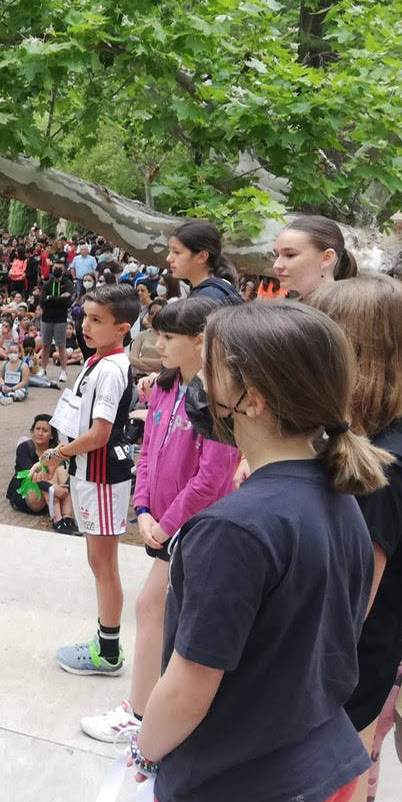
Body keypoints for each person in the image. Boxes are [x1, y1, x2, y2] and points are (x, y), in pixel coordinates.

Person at [133, 302, 386, 802]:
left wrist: (146, 750)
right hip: (317, 762)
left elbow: (186, 688)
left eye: (211, 369)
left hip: (239, 795)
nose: (197, 381)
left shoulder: (232, 530)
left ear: (253, 399)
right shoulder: (342, 498)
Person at [307, 275, 402, 802]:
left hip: (347, 690)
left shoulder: (382, 474)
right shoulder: (372, 448)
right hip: (358, 681)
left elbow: (344, 612)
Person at [80, 297, 238, 743]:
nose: (158, 345)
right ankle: (149, 710)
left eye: (168, 337)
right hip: (166, 524)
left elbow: (213, 476)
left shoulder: (217, 398)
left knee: (158, 609)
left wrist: (168, 522)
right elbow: (147, 451)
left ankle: (145, 713)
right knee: (159, 610)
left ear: (200, 341)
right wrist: (145, 508)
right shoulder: (166, 388)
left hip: (199, 527)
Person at [33, 284, 138, 675]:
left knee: (104, 563)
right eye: (85, 317)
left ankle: (108, 650)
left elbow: (100, 434)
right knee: (98, 562)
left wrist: (56, 454)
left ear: (122, 328)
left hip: (103, 476)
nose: (86, 326)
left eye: (97, 320)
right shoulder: (98, 361)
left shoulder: (110, 370)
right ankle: (104, 638)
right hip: (88, 474)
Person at [6, 414, 77, 533]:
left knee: (59, 470)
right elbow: (31, 475)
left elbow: (70, 472)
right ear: (32, 431)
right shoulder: (24, 448)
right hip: (26, 496)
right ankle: (57, 520)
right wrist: (53, 488)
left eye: (44, 430)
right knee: (45, 471)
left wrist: (64, 488)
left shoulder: (56, 450)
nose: (40, 433)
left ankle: (67, 517)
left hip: (48, 498)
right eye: (37, 429)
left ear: (52, 435)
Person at [271, 215, 357, 300]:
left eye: (290, 255)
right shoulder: (297, 308)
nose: (276, 266)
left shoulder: (348, 310)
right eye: (277, 255)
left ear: (327, 258)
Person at [164, 220, 243, 304]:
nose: (168, 258)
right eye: (170, 251)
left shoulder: (205, 300)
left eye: (177, 252)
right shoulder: (219, 288)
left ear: (202, 256)